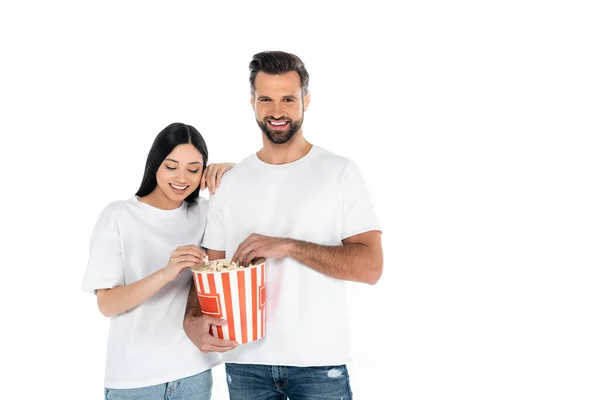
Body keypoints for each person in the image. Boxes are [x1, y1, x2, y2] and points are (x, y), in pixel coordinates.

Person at [183, 51, 383, 399]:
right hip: (245, 364)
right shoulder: (229, 182)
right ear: (252, 103)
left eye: (288, 99)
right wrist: (192, 320)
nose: (277, 111)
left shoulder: (340, 173)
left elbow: (371, 267)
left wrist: (289, 246)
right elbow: (208, 271)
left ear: (306, 99)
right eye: (266, 99)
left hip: (319, 364)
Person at [82, 122, 236, 399]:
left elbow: (257, 192)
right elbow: (106, 304)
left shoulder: (205, 211)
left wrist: (230, 169)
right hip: (135, 379)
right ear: (155, 165)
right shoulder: (118, 216)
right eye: (171, 166)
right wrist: (166, 273)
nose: (182, 178)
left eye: (193, 169)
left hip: (193, 374)